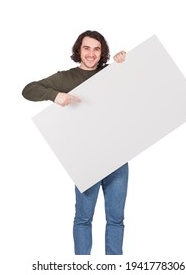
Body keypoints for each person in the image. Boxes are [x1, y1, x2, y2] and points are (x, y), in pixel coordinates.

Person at [22, 30, 128, 255]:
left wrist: (124, 63)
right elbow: (28, 90)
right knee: (83, 218)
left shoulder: (112, 73)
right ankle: (81, 267)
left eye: (97, 49)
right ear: (79, 50)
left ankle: (114, 267)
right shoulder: (66, 77)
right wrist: (55, 95)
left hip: (117, 157)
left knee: (116, 219)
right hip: (86, 159)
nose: (91, 54)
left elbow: (141, 84)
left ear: (102, 52)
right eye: (86, 48)